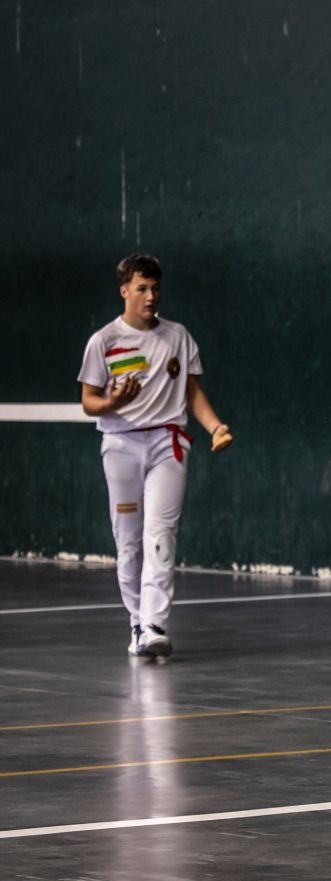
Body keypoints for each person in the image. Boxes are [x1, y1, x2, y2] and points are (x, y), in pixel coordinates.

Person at [77, 254, 233, 658]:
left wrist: (215, 426)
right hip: (121, 447)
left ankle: (154, 625)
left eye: (156, 289)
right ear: (124, 290)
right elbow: (89, 401)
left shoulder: (178, 336)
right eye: (142, 289)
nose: (151, 296)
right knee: (129, 544)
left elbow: (192, 391)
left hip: (168, 444)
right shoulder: (103, 341)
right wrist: (112, 402)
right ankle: (136, 622)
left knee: (161, 536)